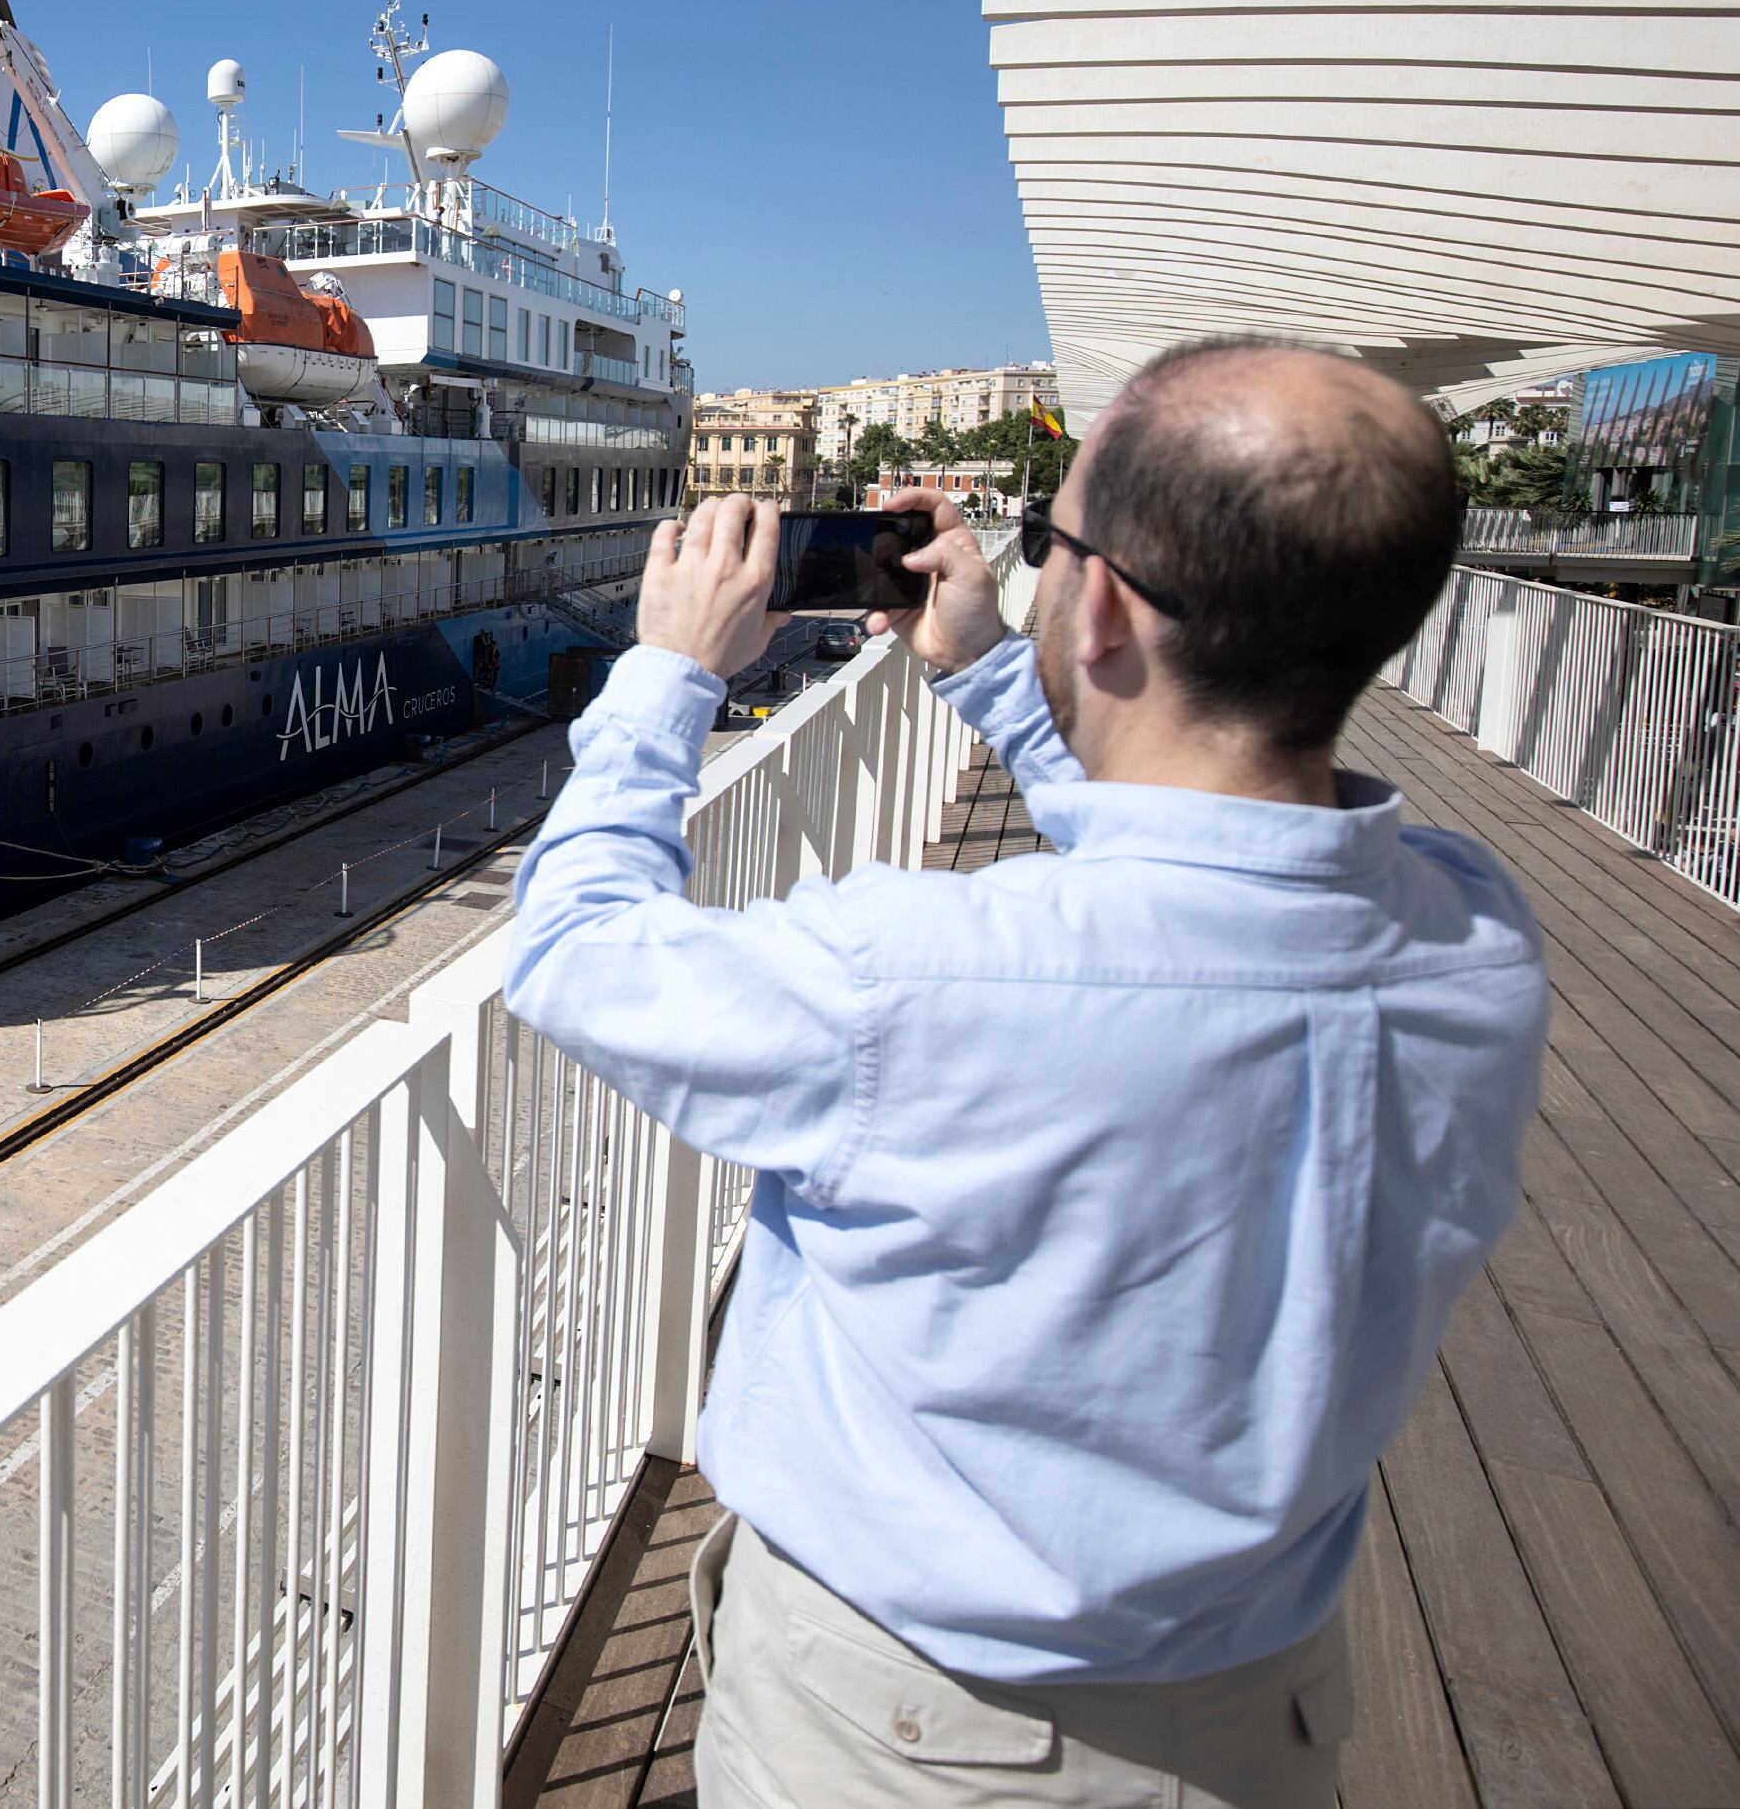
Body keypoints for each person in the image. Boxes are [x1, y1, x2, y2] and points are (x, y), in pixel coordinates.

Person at [497, 337, 1547, 1807]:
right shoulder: (1478, 934)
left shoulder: (914, 981)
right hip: (1265, 1713)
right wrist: (993, 671)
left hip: (915, 1736)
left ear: (1102, 605)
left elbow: (572, 950)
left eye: (1052, 546)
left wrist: (669, 671)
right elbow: (1202, 856)